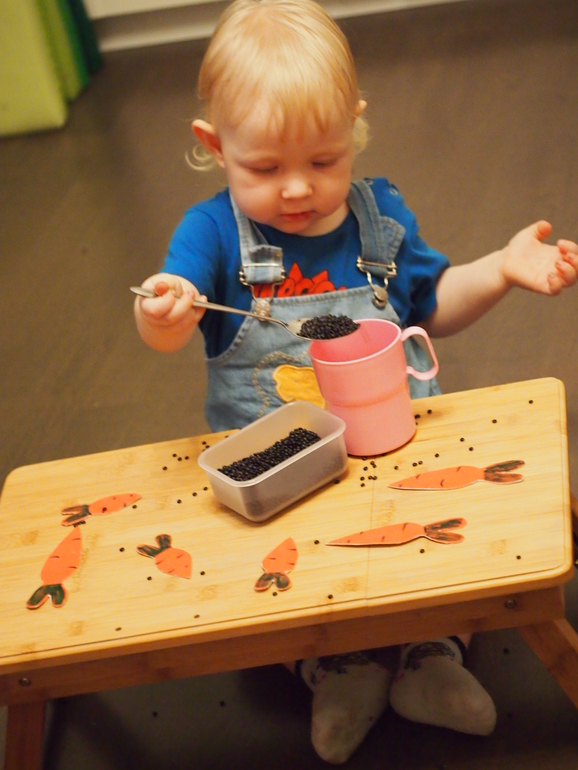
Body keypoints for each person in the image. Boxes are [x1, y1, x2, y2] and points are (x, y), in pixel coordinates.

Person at [134, 0, 578, 763]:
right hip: (280, 478)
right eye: (265, 168)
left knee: (443, 547)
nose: (297, 189)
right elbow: (168, 323)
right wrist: (163, 311)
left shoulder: (380, 217)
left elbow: (432, 306)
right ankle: (334, 669)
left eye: (323, 161)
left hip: (396, 453)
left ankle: (433, 655)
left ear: (354, 128)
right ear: (215, 145)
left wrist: (501, 270)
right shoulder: (210, 234)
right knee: (277, 577)